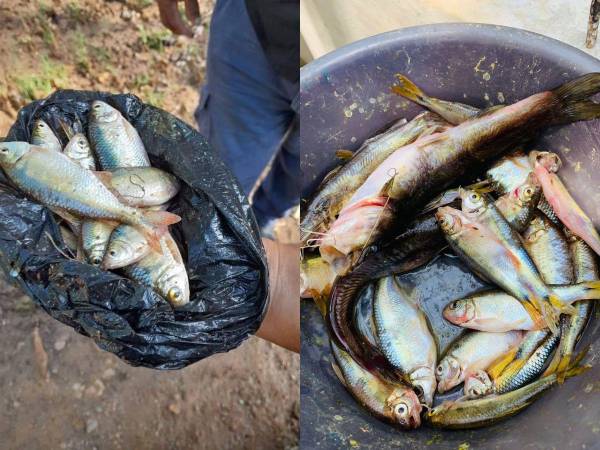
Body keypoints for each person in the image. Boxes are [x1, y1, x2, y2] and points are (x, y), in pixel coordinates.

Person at [157, 0, 300, 352]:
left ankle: (258, 224)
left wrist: (271, 280)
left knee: (297, 178)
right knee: (216, 177)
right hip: (257, 24)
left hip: (369, 52)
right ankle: (218, 236)